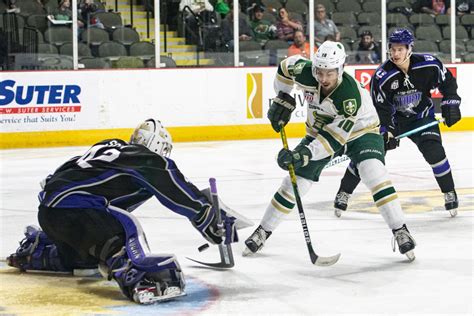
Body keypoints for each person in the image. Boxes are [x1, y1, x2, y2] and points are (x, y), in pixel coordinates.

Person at [6, 119, 239, 304]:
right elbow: (169, 179)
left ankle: (45, 251)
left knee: (87, 257)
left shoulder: (109, 149)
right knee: (123, 229)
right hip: (76, 212)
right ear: (157, 146)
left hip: (49, 212)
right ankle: (139, 277)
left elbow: (64, 174)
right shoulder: (143, 158)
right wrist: (205, 214)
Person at [243, 41, 416, 261]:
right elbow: (285, 67)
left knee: (374, 173)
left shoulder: (348, 95)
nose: (323, 79)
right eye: (320, 72)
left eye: (330, 73)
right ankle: (263, 231)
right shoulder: (304, 71)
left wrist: (302, 154)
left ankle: (400, 229)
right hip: (320, 132)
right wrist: (283, 96)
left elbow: (334, 140)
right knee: (294, 182)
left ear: (340, 69)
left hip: (361, 132)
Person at [333, 29, 461, 218]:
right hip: (394, 123)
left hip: (421, 118)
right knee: (368, 156)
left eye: (400, 49)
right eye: (392, 49)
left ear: (410, 49)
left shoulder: (429, 65)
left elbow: (448, 83)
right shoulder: (382, 76)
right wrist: (386, 130)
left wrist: (451, 102)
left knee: (435, 153)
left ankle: (449, 191)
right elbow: (380, 108)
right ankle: (344, 192)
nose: (395, 54)